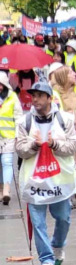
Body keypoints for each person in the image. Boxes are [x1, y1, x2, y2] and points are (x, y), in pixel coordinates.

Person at [15, 80, 76, 265]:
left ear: (50, 98)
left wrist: (53, 144)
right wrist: (34, 145)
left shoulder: (65, 120)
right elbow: (20, 150)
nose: (35, 100)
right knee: (38, 222)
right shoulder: (24, 122)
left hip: (59, 180)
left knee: (63, 218)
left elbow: (73, 147)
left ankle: (57, 245)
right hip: (34, 182)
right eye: (33, 96)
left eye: (40, 96)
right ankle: (46, 260)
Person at [0, 72, 23, 204]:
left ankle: (6, 190)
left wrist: (18, 135)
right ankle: (1, 189)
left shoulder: (12, 97)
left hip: (8, 136)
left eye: (1, 84)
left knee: (7, 162)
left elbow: (18, 117)